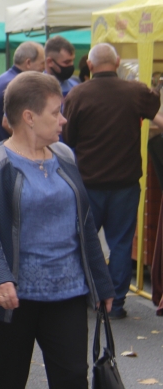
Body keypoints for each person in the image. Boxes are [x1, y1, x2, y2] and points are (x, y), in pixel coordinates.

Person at [0, 72, 114, 388]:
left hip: (68, 293)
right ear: (29, 117)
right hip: (11, 298)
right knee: (7, 380)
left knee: (73, 378)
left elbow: (84, 221)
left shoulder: (65, 155)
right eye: (56, 112)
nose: (63, 120)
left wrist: (101, 283)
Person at [62, 43, 163, 319]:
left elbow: (68, 137)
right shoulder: (135, 91)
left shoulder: (77, 94)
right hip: (125, 182)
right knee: (120, 244)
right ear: (117, 62)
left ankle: (84, 294)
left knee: (83, 241)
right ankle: (115, 303)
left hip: (88, 181)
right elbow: (154, 102)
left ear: (90, 65)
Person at [0, 42, 45, 144]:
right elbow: (7, 123)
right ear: (28, 63)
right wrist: (34, 143)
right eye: (42, 63)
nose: (44, 68)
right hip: (9, 149)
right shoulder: (18, 84)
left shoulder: (4, 77)